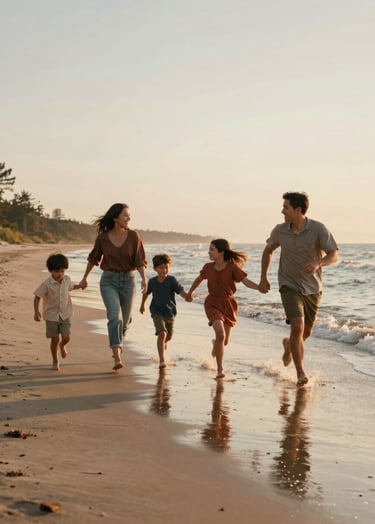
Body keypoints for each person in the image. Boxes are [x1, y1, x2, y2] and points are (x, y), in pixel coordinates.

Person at [259, 192, 338, 387]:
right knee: (297, 326)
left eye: (286, 207)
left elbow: (334, 255)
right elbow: (268, 250)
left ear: (298, 210)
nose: (282, 211)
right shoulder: (280, 230)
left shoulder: (318, 229)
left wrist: (318, 263)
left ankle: (288, 346)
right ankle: (300, 374)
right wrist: (263, 278)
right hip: (288, 284)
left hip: (312, 288)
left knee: (305, 333)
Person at [79, 203, 147, 371]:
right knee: (114, 316)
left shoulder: (134, 236)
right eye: (125, 215)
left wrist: (144, 279)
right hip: (108, 281)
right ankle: (116, 355)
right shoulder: (103, 238)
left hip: (128, 281)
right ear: (115, 218)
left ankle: (118, 340)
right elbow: (93, 258)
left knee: (124, 321)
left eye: (129, 215)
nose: (129, 218)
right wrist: (84, 278)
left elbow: (139, 261)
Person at [186, 239, 263, 380]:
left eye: (212, 250)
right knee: (220, 335)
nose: (209, 252)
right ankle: (220, 370)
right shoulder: (208, 267)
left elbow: (246, 282)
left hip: (229, 305)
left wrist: (259, 287)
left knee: (224, 341)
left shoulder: (232, 267)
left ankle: (215, 344)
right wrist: (190, 293)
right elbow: (199, 279)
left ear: (221, 252)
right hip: (212, 303)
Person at [139, 253, 189, 369]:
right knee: (162, 333)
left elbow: (180, 291)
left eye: (166, 267)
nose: (164, 270)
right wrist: (142, 305)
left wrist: (187, 296)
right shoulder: (152, 282)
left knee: (168, 336)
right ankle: (162, 360)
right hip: (156, 311)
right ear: (155, 269)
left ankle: (164, 343)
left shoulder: (171, 280)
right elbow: (146, 293)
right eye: (161, 267)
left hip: (170, 312)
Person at [33, 253, 81, 371]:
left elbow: (71, 287)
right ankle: (55, 360)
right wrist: (36, 312)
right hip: (51, 316)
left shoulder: (67, 280)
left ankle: (62, 346)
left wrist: (80, 286)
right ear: (50, 271)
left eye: (63, 271)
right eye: (57, 271)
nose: (60, 274)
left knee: (66, 337)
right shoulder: (46, 284)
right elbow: (37, 296)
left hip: (65, 314)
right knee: (54, 339)